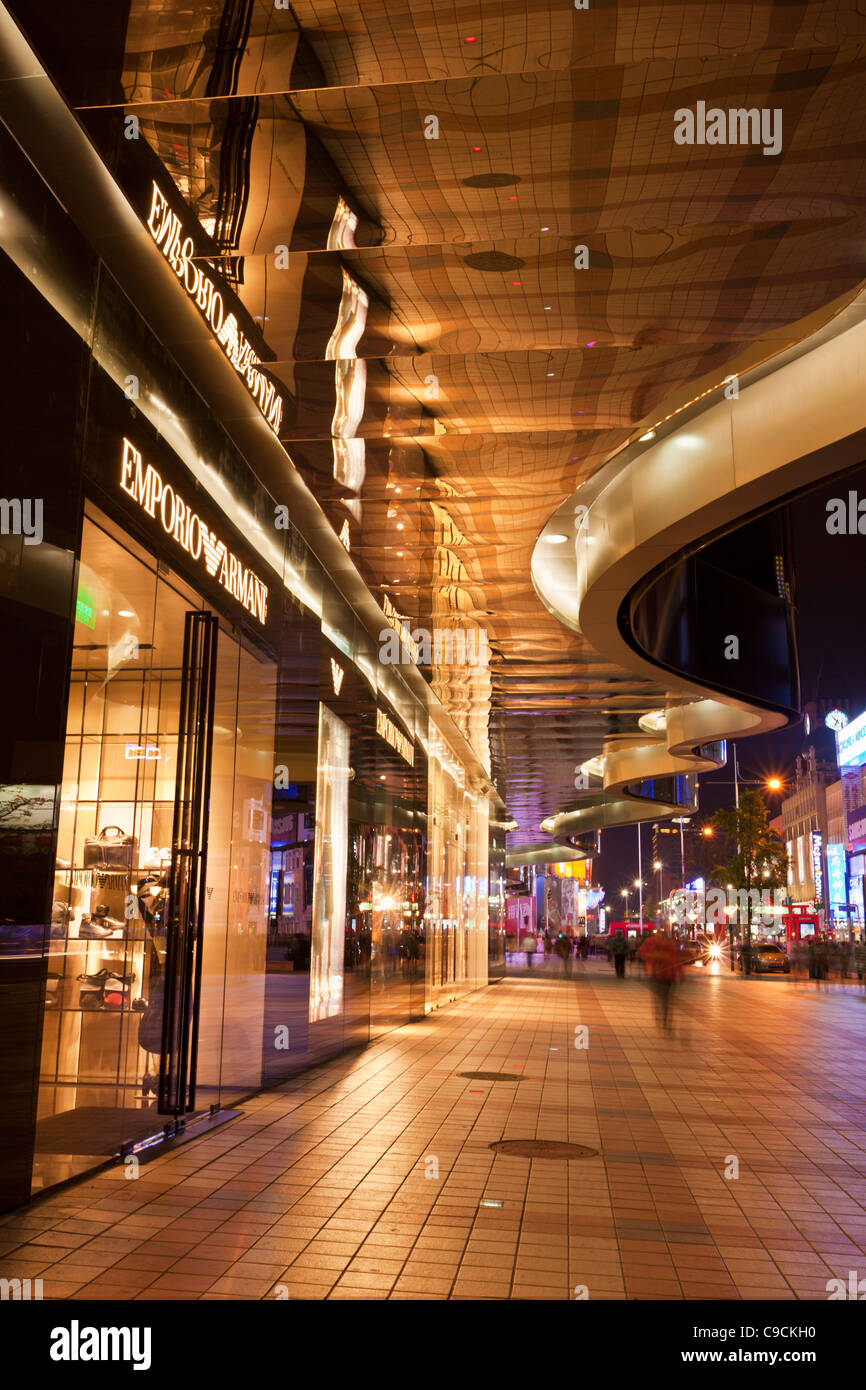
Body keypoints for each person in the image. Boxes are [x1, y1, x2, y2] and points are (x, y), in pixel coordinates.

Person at [638, 930, 683, 1030]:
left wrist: (680, 974)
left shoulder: (671, 944)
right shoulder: (650, 942)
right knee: (660, 998)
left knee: (665, 999)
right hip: (655, 975)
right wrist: (654, 956)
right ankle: (661, 1018)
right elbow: (641, 953)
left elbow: (676, 960)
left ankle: (665, 1020)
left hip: (669, 976)